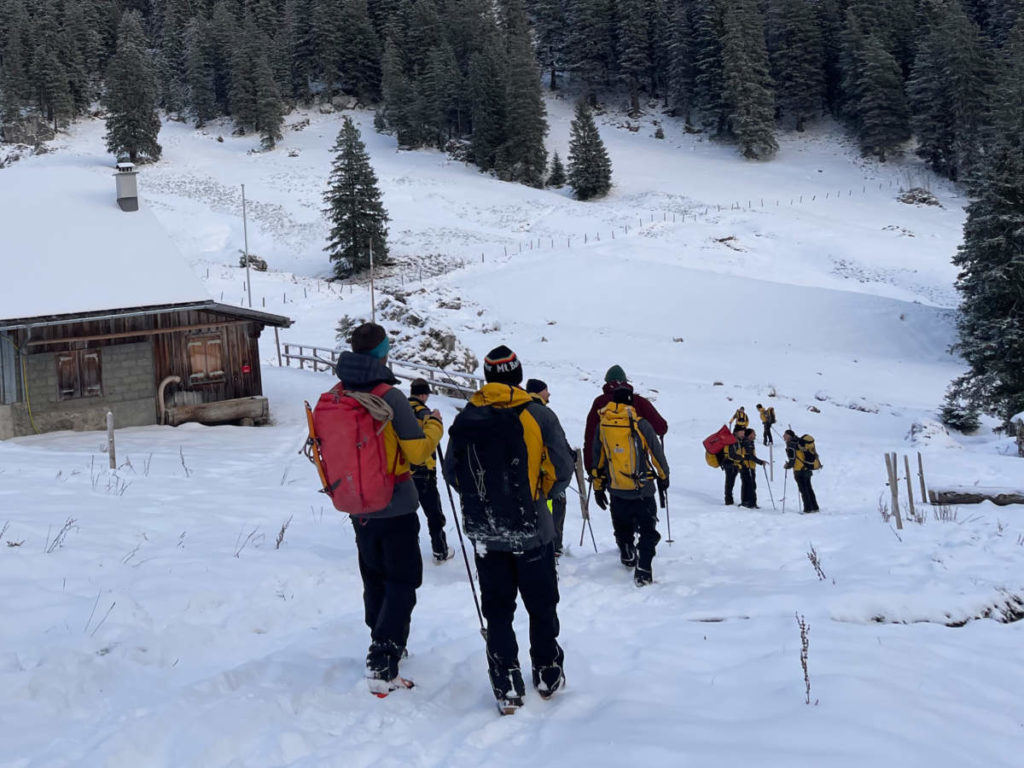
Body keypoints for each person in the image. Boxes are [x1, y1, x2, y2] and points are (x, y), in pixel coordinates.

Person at [444, 346, 574, 713]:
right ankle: (547, 672)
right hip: (532, 529)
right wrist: (539, 494)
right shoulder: (537, 413)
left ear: (488, 377)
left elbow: (453, 472)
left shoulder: (469, 414)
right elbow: (563, 469)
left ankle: (507, 683)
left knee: (498, 609)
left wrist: (485, 502)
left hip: (486, 533)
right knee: (542, 603)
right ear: (518, 375)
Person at [334, 323, 443, 695]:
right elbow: (416, 452)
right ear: (382, 352)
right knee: (404, 579)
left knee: (374, 575)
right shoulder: (389, 396)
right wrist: (435, 428)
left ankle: (382, 636)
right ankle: (382, 658)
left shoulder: (339, 392)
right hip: (395, 502)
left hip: (357, 504)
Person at [591, 388, 670, 587]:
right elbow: (656, 453)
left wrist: (598, 487)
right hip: (642, 489)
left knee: (622, 523)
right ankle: (643, 568)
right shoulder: (640, 424)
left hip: (616, 487)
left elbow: (598, 458)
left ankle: (626, 551)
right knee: (647, 529)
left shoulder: (603, 425)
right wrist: (663, 476)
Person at [584, 364, 667, 477]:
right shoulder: (639, 401)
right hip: (640, 471)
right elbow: (661, 428)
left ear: (607, 382)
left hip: (611, 471)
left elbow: (590, 438)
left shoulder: (600, 402)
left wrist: (591, 470)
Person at [407, 378, 453, 563]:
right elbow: (431, 439)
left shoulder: (400, 410)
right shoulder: (425, 414)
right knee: (433, 513)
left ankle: (409, 549)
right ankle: (439, 549)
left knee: (407, 513)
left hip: (403, 471)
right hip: (424, 471)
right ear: (424, 394)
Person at [526, 378, 569, 556]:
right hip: (545, 476)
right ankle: (554, 545)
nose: (549, 393)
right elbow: (558, 448)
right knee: (556, 503)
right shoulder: (544, 413)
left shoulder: (519, 411)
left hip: (525, 476)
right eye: (546, 390)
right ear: (539, 392)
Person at [783, 429, 820, 513]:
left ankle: (808, 509)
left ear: (789, 436)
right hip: (807, 468)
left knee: (803, 490)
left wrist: (787, 466)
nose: (784, 437)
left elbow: (792, 461)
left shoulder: (791, 445)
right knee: (809, 488)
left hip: (799, 470)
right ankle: (814, 507)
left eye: (785, 435)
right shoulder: (800, 442)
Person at [738, 427, 767, 509]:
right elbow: (750, 456)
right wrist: (761, 462)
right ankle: (751, 503)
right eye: (754, 433)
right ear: (750, 434)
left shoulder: (743, 442)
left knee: (745, 484)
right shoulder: (748, 443)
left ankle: (745, 501)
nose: (755, 435)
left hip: (743, 466)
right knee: (751, 485)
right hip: (748, 466)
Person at [721, 425, 745, 505]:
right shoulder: (732, 441)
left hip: (733, 464)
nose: (743, 434)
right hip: (730, 464)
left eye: (743, 432)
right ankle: (728, 500)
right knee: (729, 482)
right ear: (736, 433)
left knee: (731, 482)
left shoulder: (737, 440)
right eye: (741, 432)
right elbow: (732, 455)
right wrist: (742, 458)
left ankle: (729, 499)